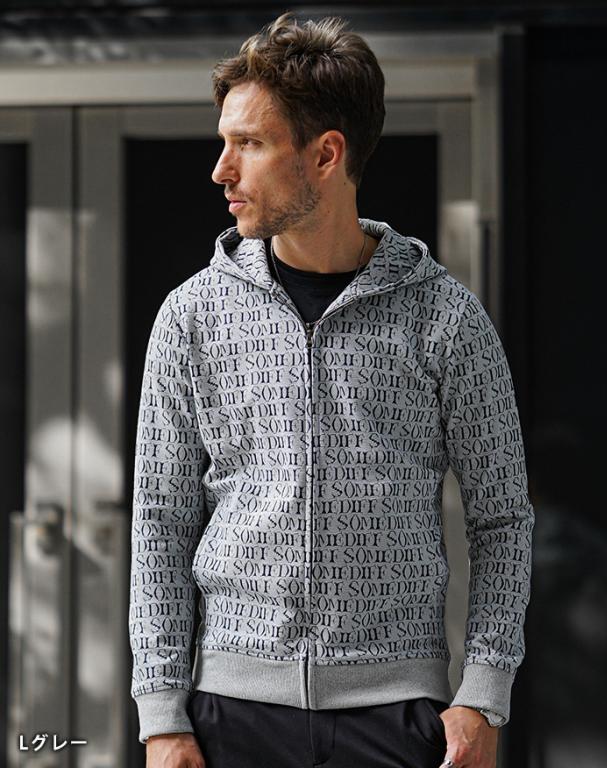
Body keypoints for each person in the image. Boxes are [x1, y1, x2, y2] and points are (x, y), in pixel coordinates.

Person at [128, 11, 535, 768]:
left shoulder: (445, 317)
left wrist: (483, 694)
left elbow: (503, 519)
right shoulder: (192, 316)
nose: (221, 170)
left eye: (249, 144)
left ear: (325, 154)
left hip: (397, 717)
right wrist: (161, 715)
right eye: (224, 142)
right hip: (229, 715)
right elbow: (161, 522)